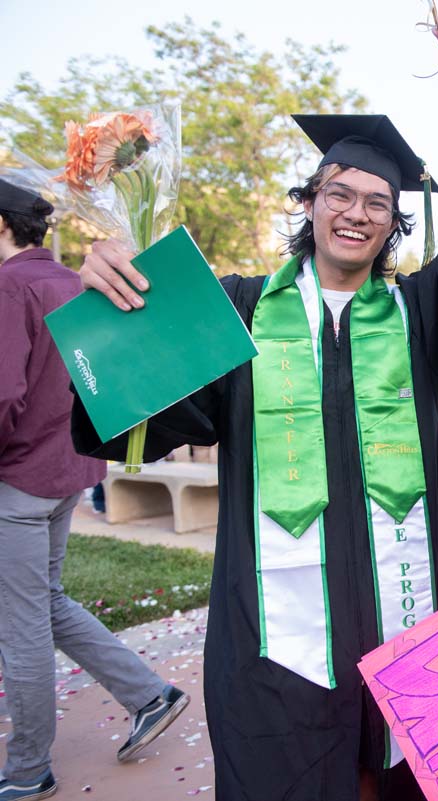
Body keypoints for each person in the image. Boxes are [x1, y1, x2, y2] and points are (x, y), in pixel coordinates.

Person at [71, 15, 438, 801]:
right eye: (338, 193)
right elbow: (140, 392)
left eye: (376, 202)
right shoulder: (239, 308)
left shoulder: (416, 314)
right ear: (310, 203)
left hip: (408, 616)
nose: (355, 211)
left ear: (395, 221)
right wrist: (116, 294)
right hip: (276, 638)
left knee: (409, 774)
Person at [0, 179, 188, 800]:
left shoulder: (10, 285)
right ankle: (148, 694)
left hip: (20, 479)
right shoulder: (64, 281)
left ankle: (27, 770)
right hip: (69, 471)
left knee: (21, 627)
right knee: (46, 602)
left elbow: (4, 396)